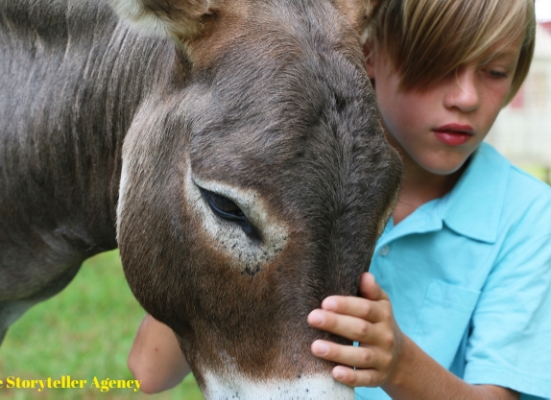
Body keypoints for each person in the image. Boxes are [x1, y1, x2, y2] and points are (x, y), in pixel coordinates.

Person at [128, 0, 551, 398]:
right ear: (367, 54)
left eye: (495, 72)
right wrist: (234, 226)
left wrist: (400, 364)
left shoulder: (530, 218)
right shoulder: (271, 189)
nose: (466, 98)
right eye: (436, 67)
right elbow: (149, 370)